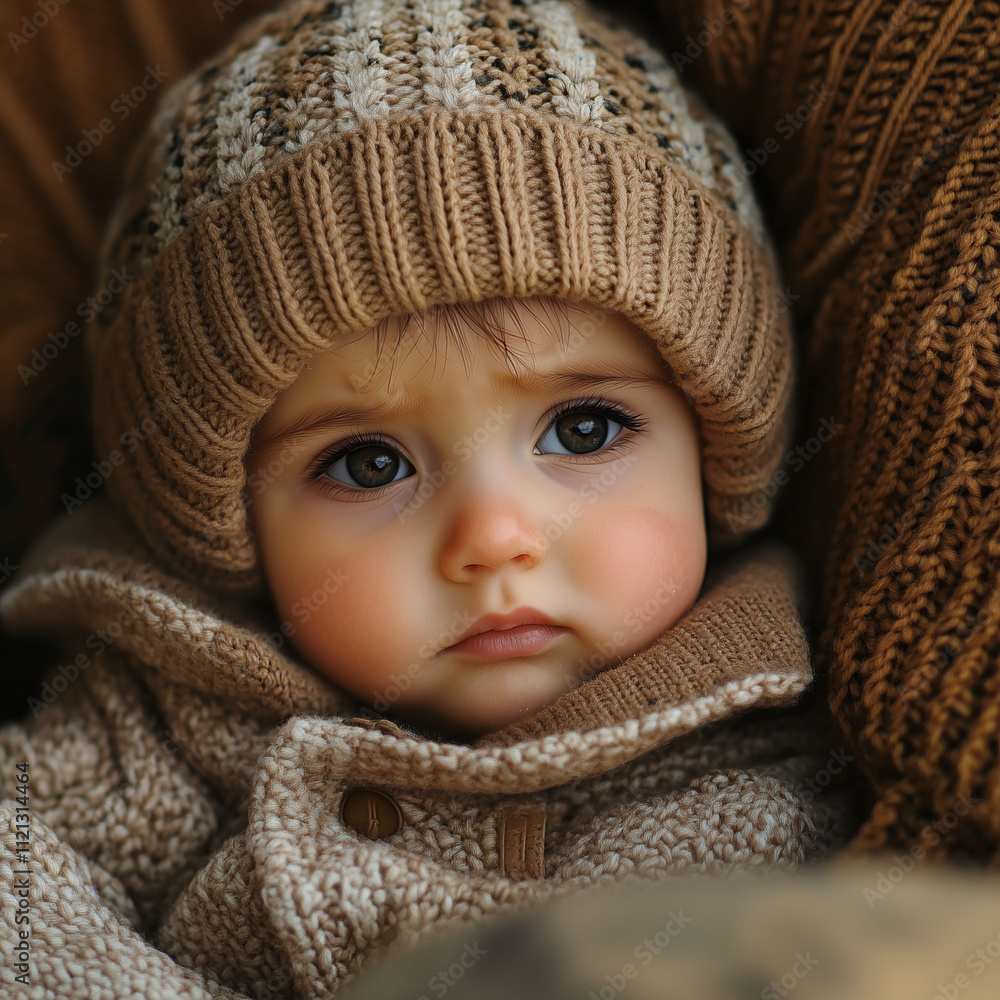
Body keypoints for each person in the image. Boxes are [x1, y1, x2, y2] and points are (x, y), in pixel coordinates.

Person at [0, 0, 856, 995]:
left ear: (717, 450)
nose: (494, 537)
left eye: (583, 429)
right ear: (226, 524)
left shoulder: (802, 735)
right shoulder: (163, 723)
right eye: (369, 464)